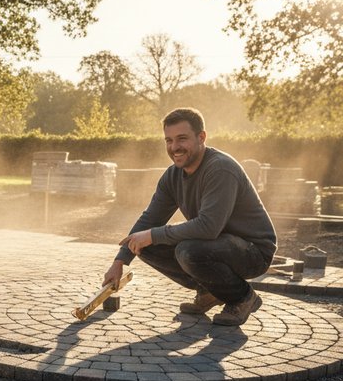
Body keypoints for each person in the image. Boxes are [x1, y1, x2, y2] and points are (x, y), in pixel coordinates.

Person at [103, 108, 276, 326]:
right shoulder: (173, 176)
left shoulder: (220, 168)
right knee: (141, 244)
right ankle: (210, 291)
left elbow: (208, 227)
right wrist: (120, 261)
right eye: (169, 140)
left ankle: (243, 297)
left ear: (201, 137)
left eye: (182, 139)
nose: (174, 147)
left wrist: (154, 234)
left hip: (252, 251)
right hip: (215, 245)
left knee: (187, 250)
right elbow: (150, 219)